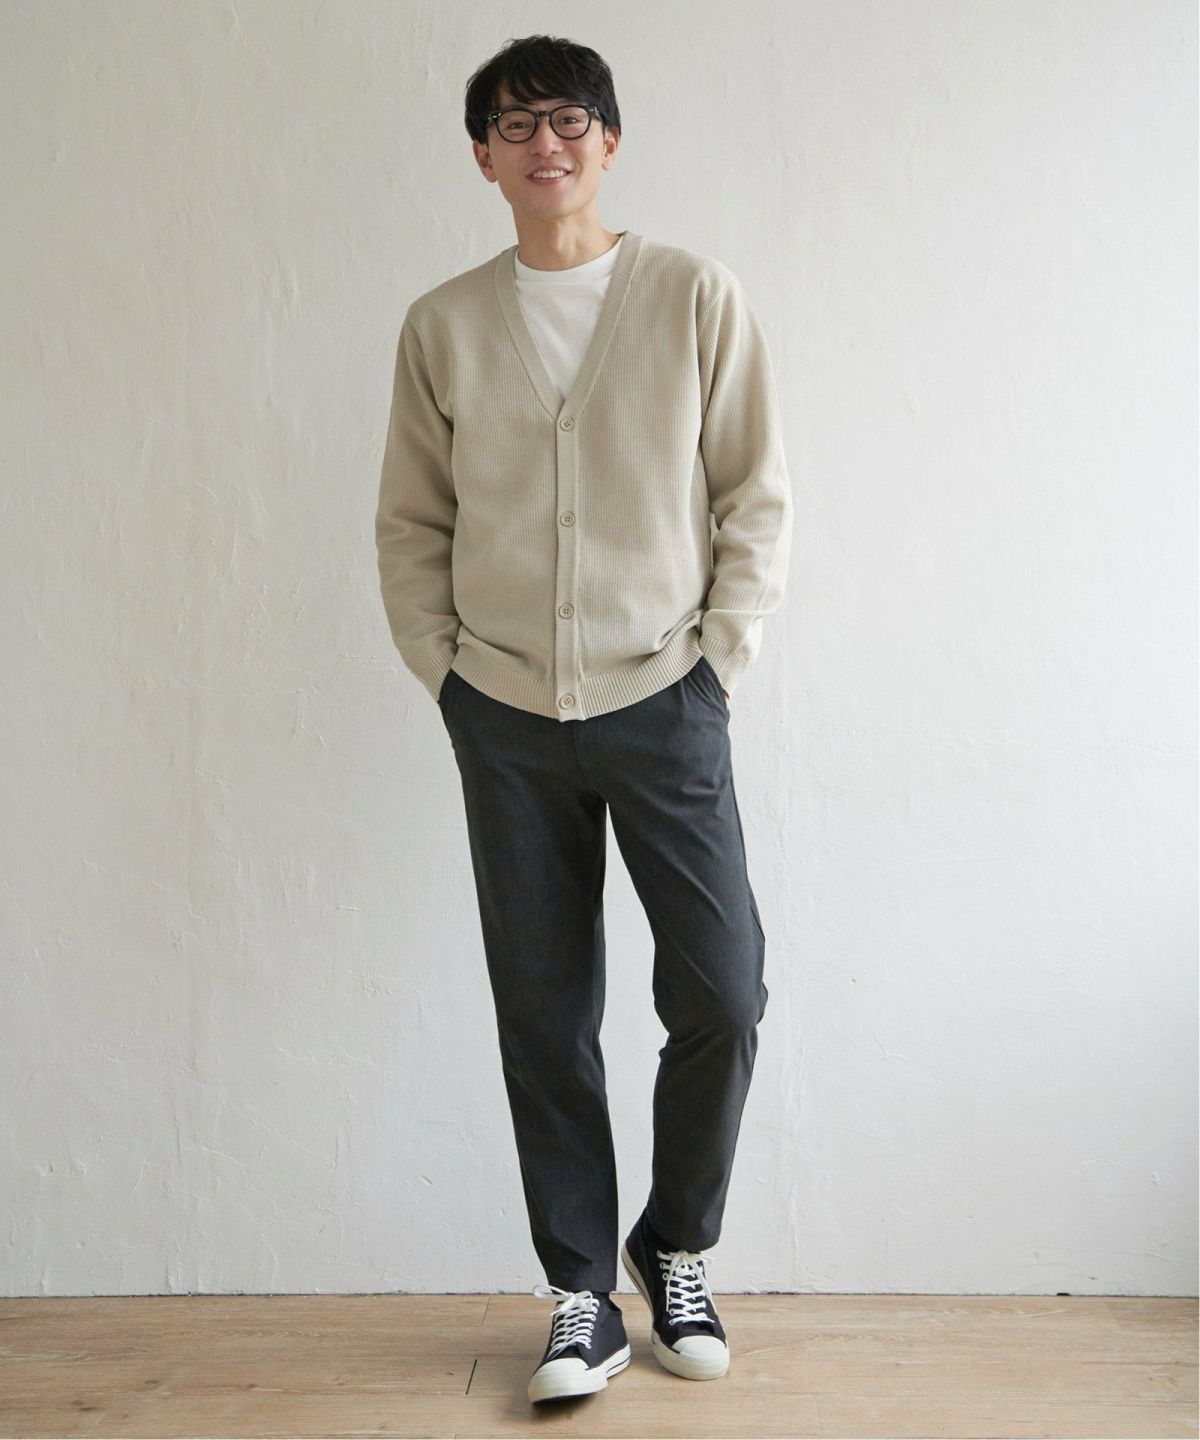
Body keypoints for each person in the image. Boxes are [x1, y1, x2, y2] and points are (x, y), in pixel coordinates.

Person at [374, 32, 793, 1406]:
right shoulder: (442, 325)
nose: (544, 144)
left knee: (722, 991)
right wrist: (444, 673)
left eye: (567, 120)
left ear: (609, 141)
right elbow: (411, 519)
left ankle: (674, 1245)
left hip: (665, 699)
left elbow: (754, 493)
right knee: (544, 1010)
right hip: (501, 709)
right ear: (483, 157)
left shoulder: (692, 296)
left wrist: (717, 661)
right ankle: (579, 1294)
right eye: (515, 125)